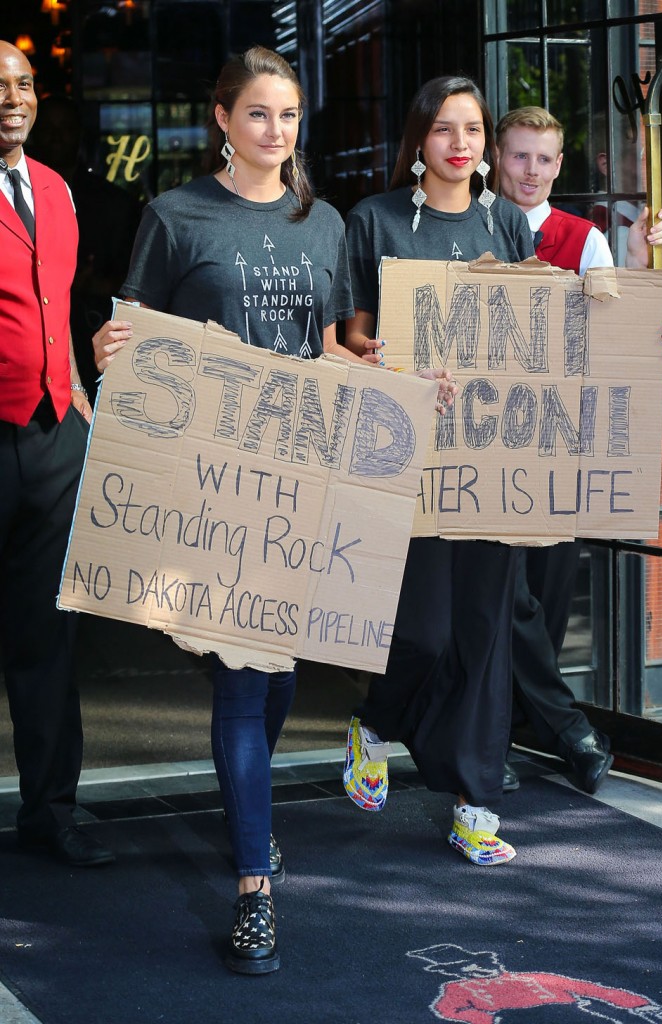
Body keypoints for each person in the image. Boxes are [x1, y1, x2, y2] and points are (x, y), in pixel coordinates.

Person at [92, 45, 455, 976]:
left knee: (280, 671)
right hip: (213, 485)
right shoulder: (175, 217)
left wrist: (405, 389)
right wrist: (109, 345)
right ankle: (255, 888)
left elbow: (333, 349)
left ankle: (249, 834)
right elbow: (137, 331)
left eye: (289, 116)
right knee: (241, 682)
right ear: (222, 118)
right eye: (259, 114)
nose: (276, 132)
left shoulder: (321, 221)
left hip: (301, 479)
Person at [340, 75, 535, 867]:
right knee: (421, 633)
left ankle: (473, 803)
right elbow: (352, 337)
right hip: (405, 458)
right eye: (444, 129)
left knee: (485, 636)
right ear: (417, 139)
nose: (461, 143)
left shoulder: (509, 222)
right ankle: (375, 720)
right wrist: (378, 358)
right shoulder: (374, 220)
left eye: (473, 129)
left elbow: (540, 331)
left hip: (491, 461)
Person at [495, 105, 662, 793]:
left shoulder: (584, 239)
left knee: (545, 594)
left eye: (543, 159)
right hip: (484, 448)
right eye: (518, 157)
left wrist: (636, 297)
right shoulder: (468, 228)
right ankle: (566, 730)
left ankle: (518, 729)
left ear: (559, 165)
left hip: (558, 443)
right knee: (501, 597)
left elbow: (612, 331)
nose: (531, 171)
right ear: (497, 161)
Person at [0, 41, 115, 867]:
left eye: (23, 84)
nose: (11, 97)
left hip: (50, 437)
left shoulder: (56, 189)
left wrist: (75, 390)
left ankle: (50, 811)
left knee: (46, 638)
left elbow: (57, 306)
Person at [26, 94, 143, 405]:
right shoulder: (13, 197)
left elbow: (137, 282)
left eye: (65, 128)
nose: (56, 136)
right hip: (31, 339)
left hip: (95, 328)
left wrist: (94, 284)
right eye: (48, 128)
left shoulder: (114, 203)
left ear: (79, 134)